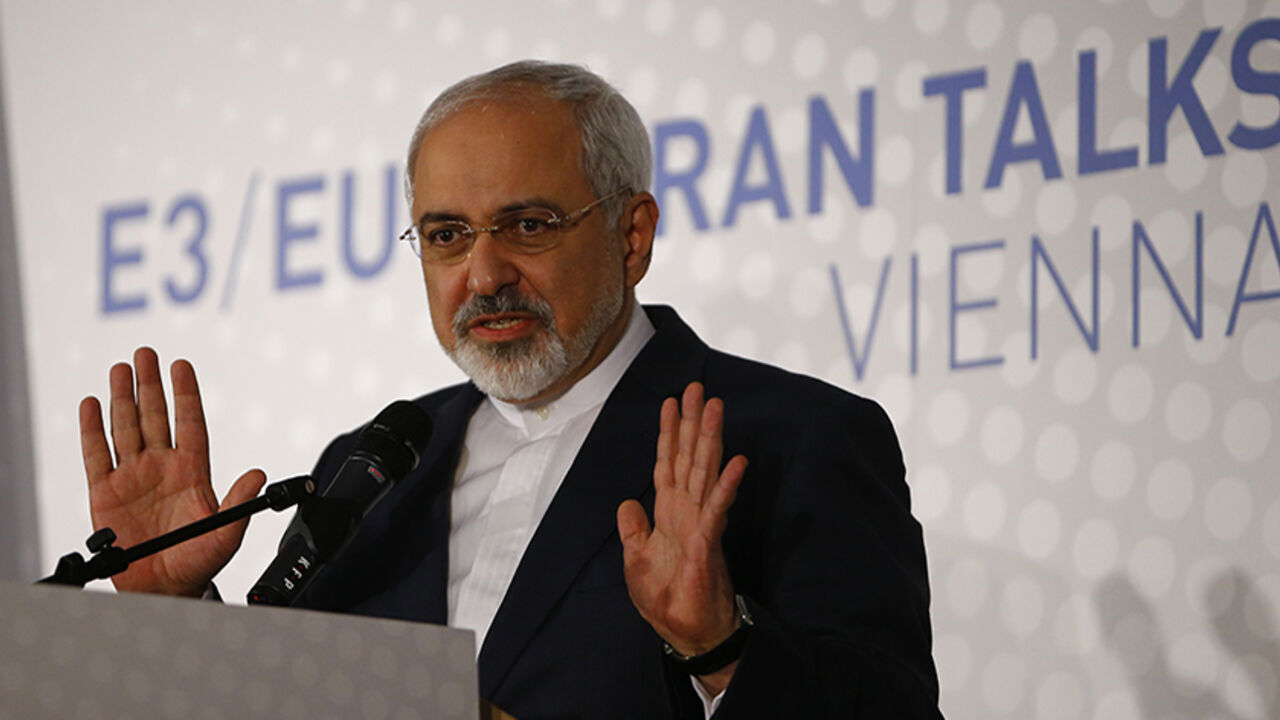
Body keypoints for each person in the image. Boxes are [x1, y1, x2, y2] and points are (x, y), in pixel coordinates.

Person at [79, 61, 941, 718]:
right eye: (447, 235)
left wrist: (723, 651)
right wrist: (176, 614)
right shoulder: (377, 466)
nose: (484, 273)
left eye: (528, 226)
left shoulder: (795, 438)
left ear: (631, 235)